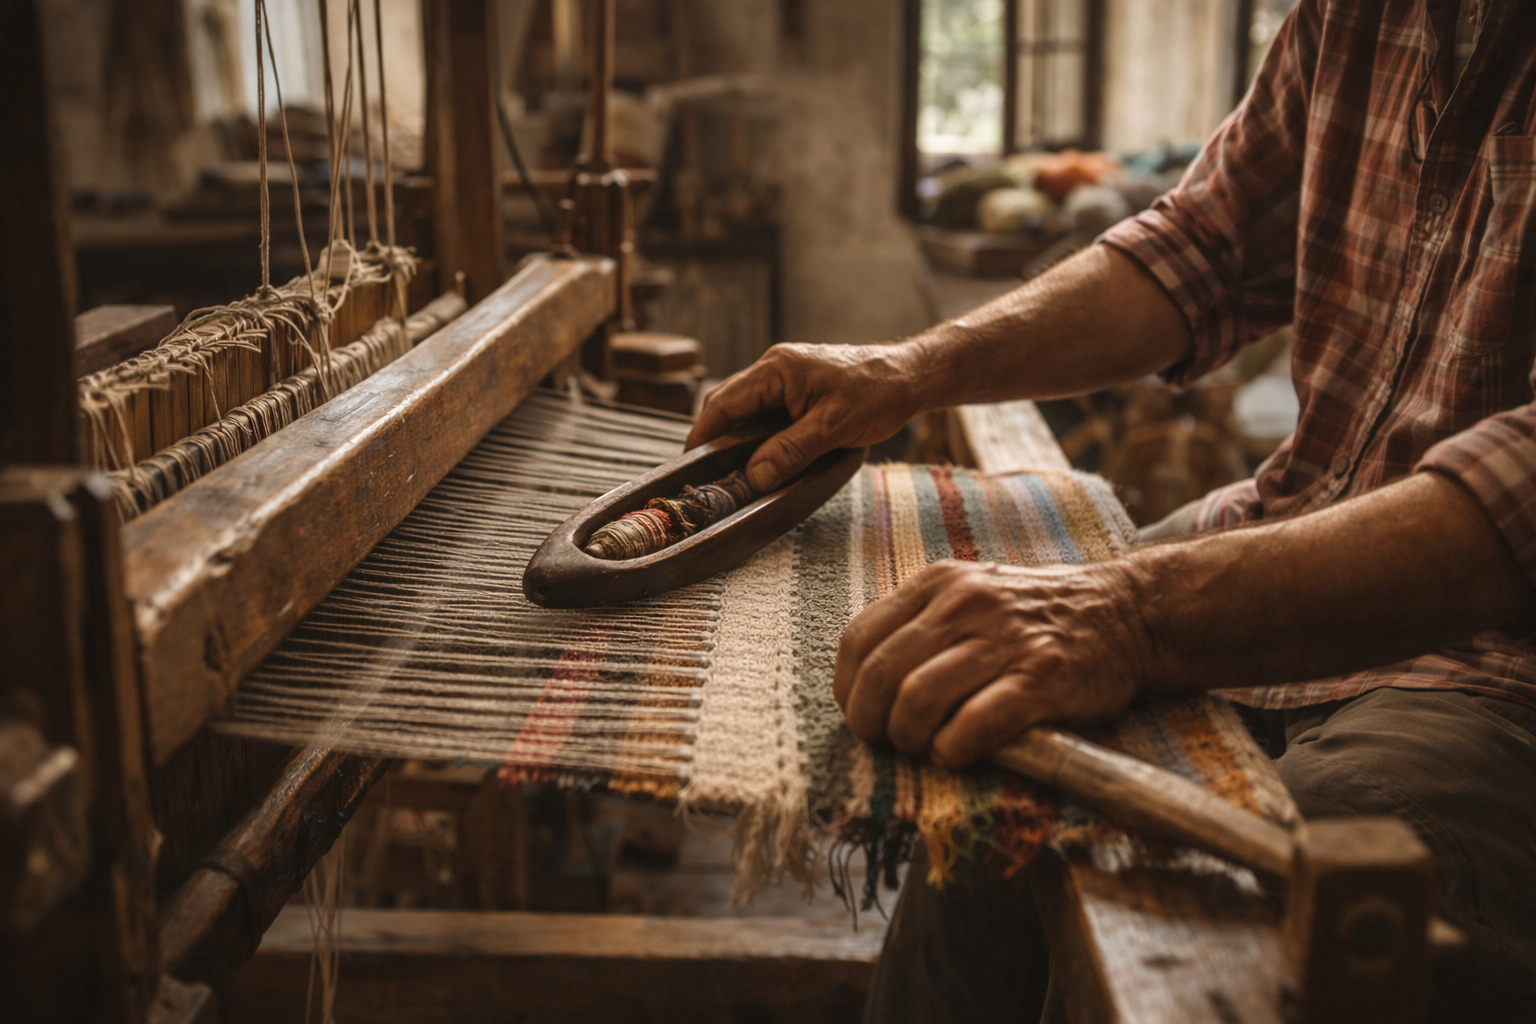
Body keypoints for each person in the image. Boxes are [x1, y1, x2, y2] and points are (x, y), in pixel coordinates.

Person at [686, 0, 1536, 1020]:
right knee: (989, 788)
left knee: (1239, 905)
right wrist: (909, 370)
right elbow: (1206, 243)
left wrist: (1130, 616)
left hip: (1503, 668)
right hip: (1302, 515)